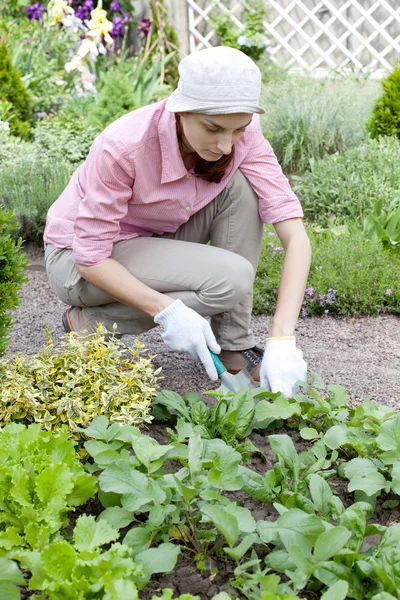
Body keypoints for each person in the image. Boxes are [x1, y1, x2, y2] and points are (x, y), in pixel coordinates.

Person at [43, 45, 311, 397]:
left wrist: (282, 338)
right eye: (213, 128)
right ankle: (89, 324)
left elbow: (296, 238)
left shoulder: (241, 137)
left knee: (242, 187)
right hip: (78, 260)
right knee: (230, 279)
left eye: (238, 130)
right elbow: (90, 256)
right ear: (180, 110)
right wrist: (167, 310)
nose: (227, 145)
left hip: (151, 238)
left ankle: (232, 343)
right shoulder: (124, 145)